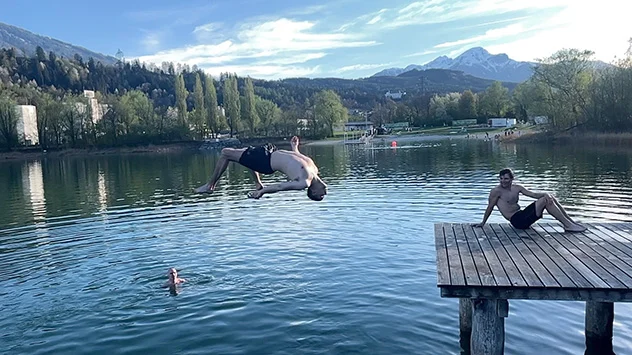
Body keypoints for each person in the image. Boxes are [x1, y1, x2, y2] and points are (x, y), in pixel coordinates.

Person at [194, 136, 327, 201]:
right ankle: (258, 184)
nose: (325, 192)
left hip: (266, 162)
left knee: (225, 153)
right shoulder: (314, 169)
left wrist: (263, 192)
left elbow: (280, 187)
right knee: (241, 155)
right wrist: (294, 147)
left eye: (322, 194)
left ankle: (210, 186)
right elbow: (298, 159)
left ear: (313, 192)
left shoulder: (304, 182)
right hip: (270, 151)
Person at [474, 168, 587, 232]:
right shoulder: (496, 191)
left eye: (506, 179)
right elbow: (490, 207)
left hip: (523, 215)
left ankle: (570, 222)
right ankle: (568, 225)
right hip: (517, 221)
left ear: (512, 179)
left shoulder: (517, 188)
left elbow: (533, 194)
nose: (503, 181)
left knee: (549, 197)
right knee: (545, 200)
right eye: (501, 178)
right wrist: (483, 223)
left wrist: (546, 193)